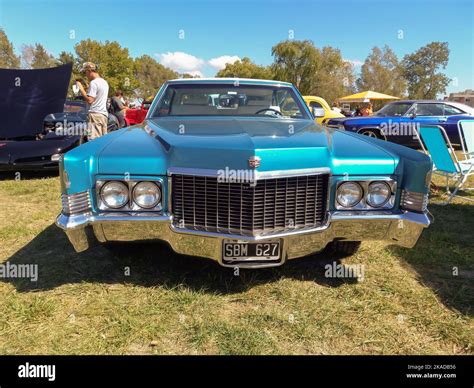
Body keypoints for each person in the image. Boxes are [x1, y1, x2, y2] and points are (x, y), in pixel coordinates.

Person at [75, 62, 109, 140]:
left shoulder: (94, 83)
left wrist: (81, 88)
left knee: (93, 141)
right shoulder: (104, 82)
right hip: (103, 115)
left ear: (89, 71)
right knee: (102, 141)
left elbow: (90, 100)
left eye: (85, 72)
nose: (85, 75)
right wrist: (87, 87)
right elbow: (97, 96)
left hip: (95, 115)